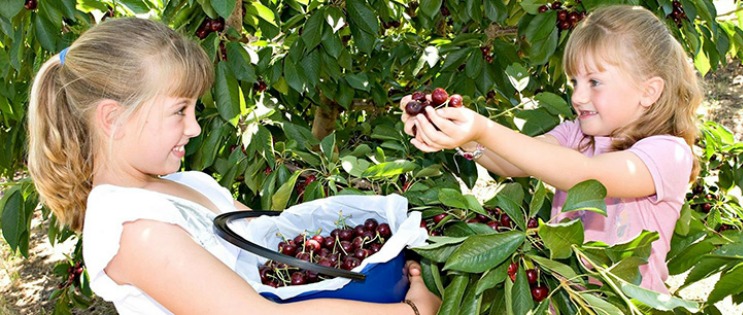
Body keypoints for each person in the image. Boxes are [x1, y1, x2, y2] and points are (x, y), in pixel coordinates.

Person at [27, 17, 440, 315]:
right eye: (179, 111)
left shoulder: (185, 183)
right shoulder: (136, 232)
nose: (193, 127)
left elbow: (277, 247)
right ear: (112, 118)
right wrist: (410, 312)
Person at [401, 5, 702, 294]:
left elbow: (586, 176)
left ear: (648, 91)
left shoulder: (667, 154)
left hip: (626, 305)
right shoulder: (578, 135)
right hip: (567, 299)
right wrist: (456, 133)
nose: (578, 96)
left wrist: (483, 129)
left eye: (594, 81)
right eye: (574, 81)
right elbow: (517, 162)